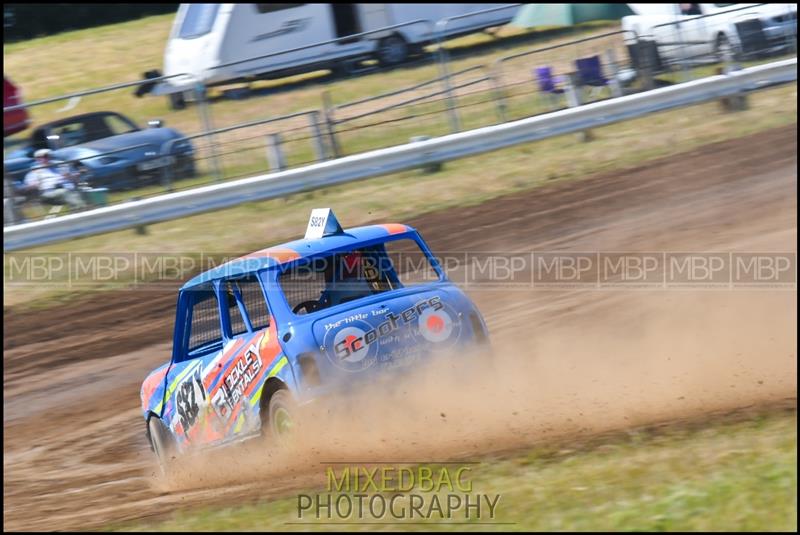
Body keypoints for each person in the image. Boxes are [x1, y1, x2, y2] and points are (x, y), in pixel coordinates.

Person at [21, 148, 86, 210]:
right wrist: (34, 185)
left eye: (47, 156)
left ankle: (78, 209)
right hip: (49, 192)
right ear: (37, 159)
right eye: (43, 157)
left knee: (77, 190)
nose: (46, 158)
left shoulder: (61, 165)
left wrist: (70, 176)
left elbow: (74, 179)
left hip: (69, 189)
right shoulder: (35, 171)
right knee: (64, 192)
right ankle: (82, 208)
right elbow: (30, 186)